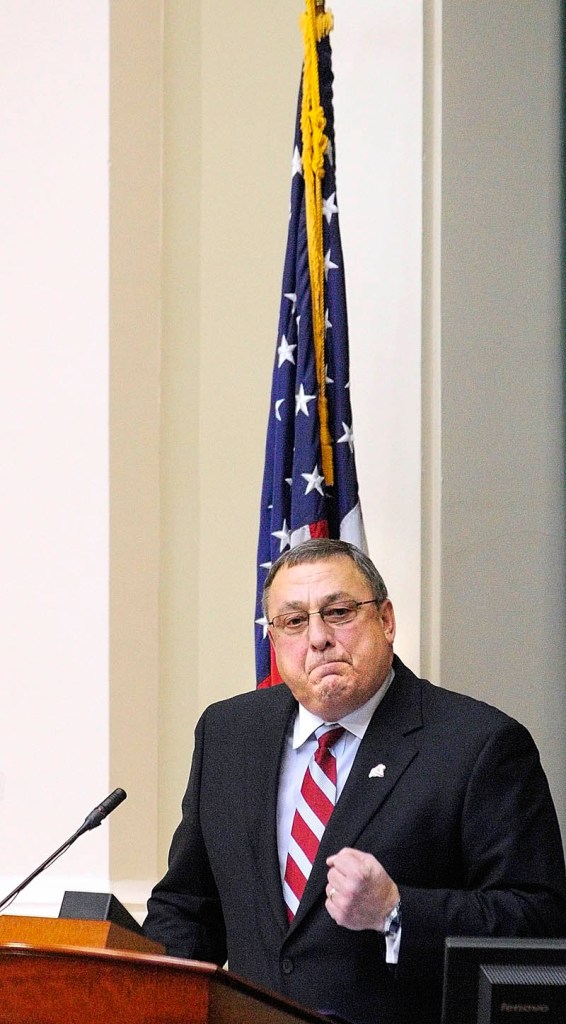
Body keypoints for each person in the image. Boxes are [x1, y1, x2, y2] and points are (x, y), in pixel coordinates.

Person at [143, 538, 566, 1024]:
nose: (318, 638)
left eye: (339, 612)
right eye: (295, 621)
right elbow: (187, 906)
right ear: (275, 640)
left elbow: (537, 923)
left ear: (385, 621)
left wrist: (396, 909)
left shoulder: (479, 745)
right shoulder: (229, 734)